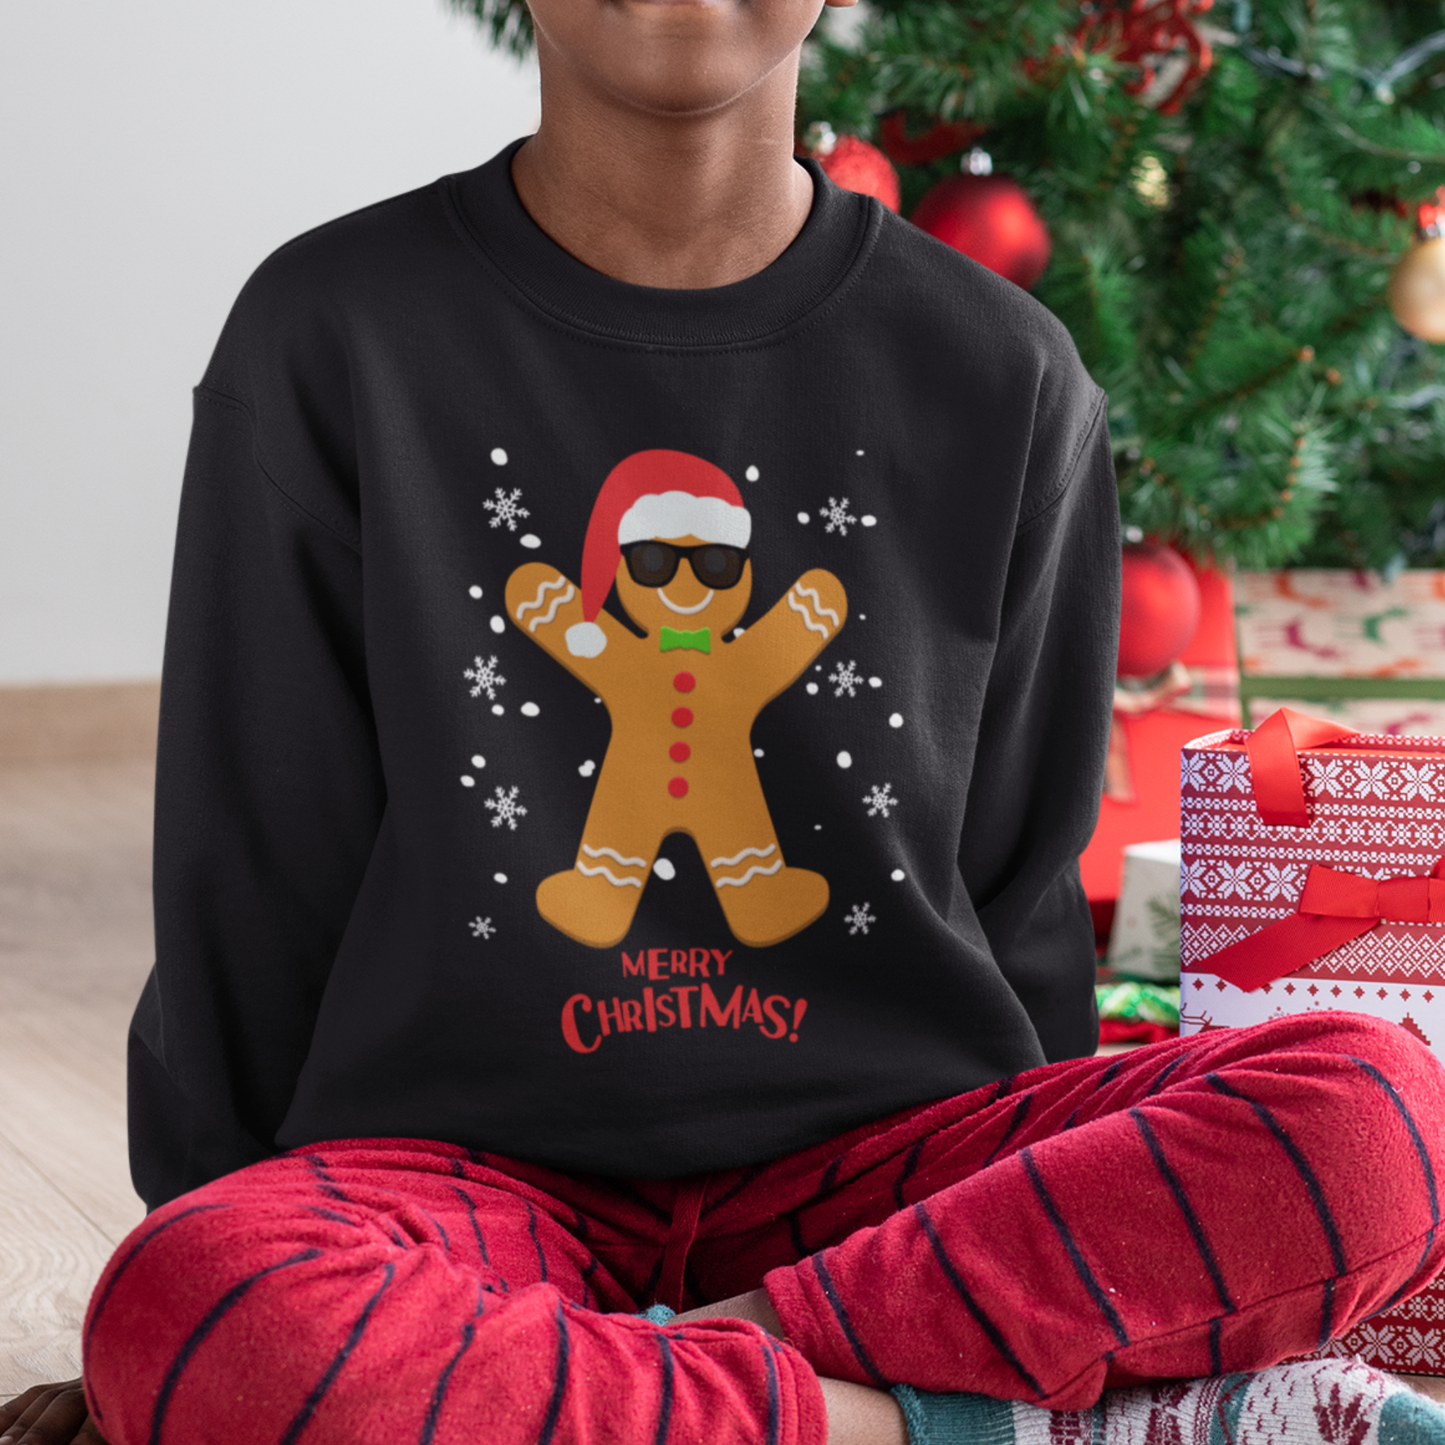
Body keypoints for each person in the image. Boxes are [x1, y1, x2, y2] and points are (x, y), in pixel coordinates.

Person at [5, 0, 1445, 1436]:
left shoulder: (1004, 370)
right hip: (464, 1182)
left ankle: (695, 1382)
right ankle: (943, 1418)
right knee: (192, 1296)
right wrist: (199, 1303)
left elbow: (1023, 901)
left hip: (897, 1184)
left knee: (1387, 1117)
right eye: (655, 561)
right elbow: (252, 878)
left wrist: (1048, 1217)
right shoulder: (329, 334)